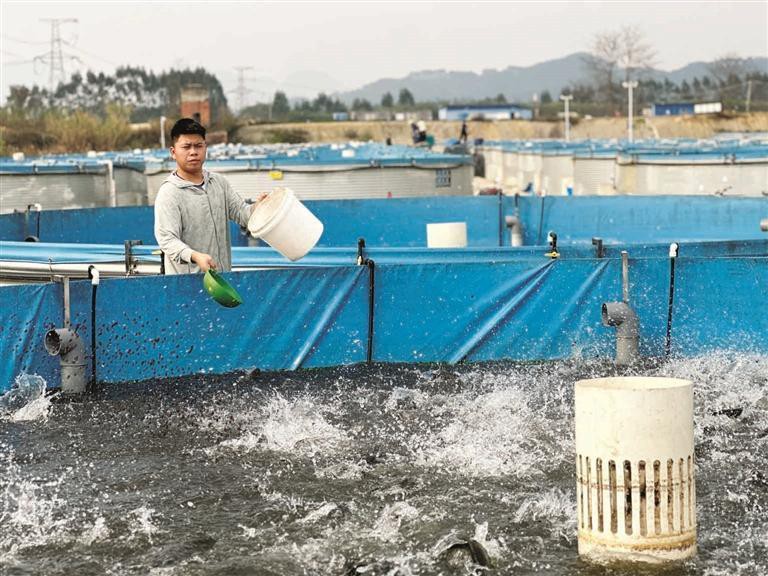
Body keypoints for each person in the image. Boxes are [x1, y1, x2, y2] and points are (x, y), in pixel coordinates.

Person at [154, 117, 262, 275]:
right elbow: (167, 239)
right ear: (173, 152)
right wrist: (194, 256)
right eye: (186, 147)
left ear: (205, 148)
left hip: (222, 282)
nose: (193, 152)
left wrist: (260, 207)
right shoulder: (170, 192)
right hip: (188, 287)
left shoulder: (218, 183)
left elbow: (242, 213)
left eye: (198, 146)